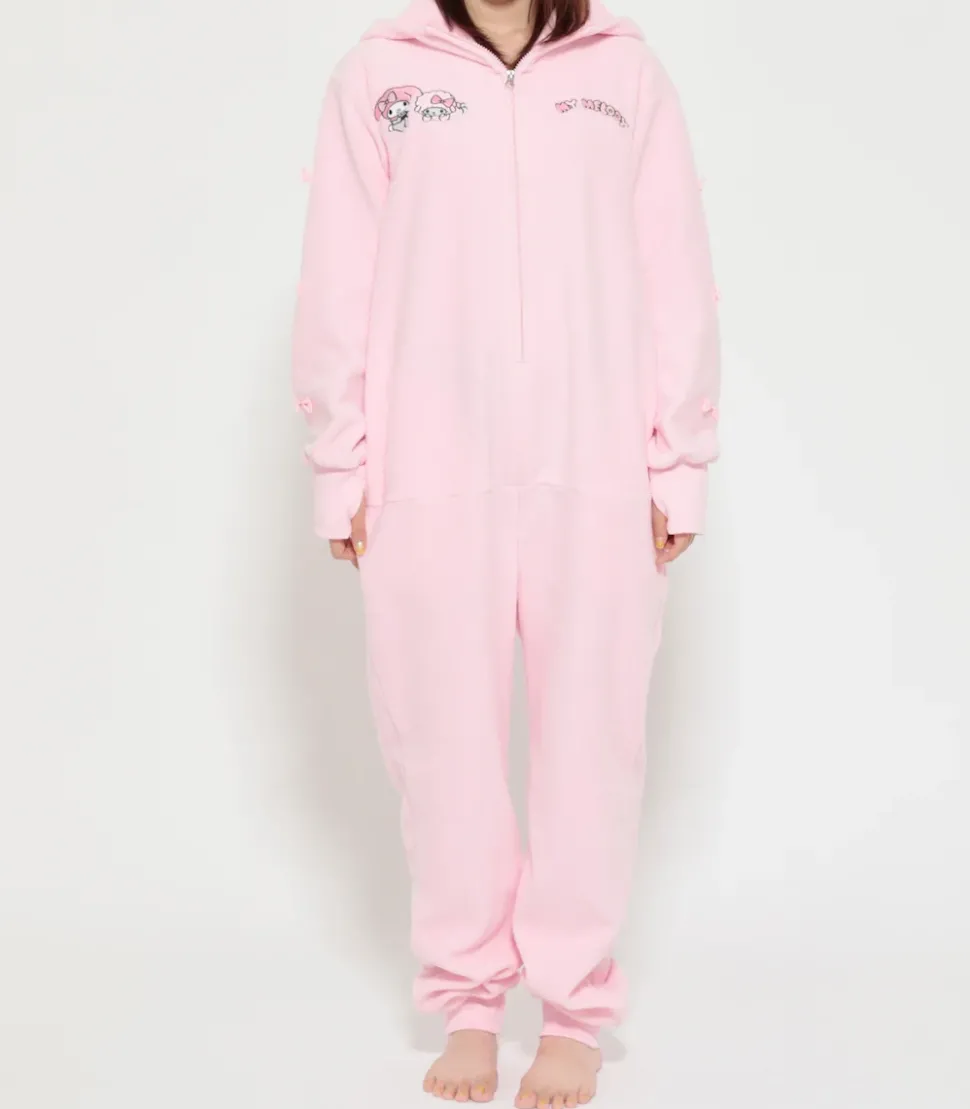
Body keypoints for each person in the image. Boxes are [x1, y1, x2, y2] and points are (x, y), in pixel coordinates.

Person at [292, 0, 720, 1102]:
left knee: (594, 739)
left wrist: (678, 459)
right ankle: (470, 999)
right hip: (428, 471)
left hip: (598, 467)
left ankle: (573, 1008)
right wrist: (342, 463)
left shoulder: (624, 75)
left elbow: (675, 271)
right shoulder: (379, 76)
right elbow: (338, 275)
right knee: (441, 743)